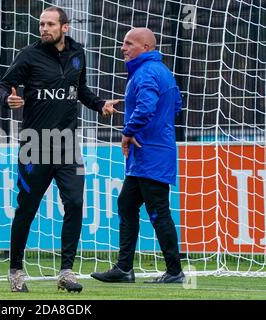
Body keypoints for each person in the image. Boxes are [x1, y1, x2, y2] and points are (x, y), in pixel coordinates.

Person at [0, 6, 118, 293]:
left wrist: (100, 104)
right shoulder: (29, 55)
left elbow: (81, 91)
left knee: (75, 203)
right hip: (34, 145)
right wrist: (7, 100)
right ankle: (15, 270)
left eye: (50, 24)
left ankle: (65, 272)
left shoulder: (78, 54)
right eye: (41, 24)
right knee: (27, 209)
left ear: (65, 27)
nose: (44, 28)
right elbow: (3, 85)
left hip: (67, 147)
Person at [90, 28, 184, 284]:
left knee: (158, 211)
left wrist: (128, 131)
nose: (123, 48)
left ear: (145, 47)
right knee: (127, 204)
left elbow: (146, 107)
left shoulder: (145, 73)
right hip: (153, 152)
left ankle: (174, 272)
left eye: (128, 43)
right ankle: (124, 268)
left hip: (150, 154)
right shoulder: (161, 71)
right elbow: (176, 105)